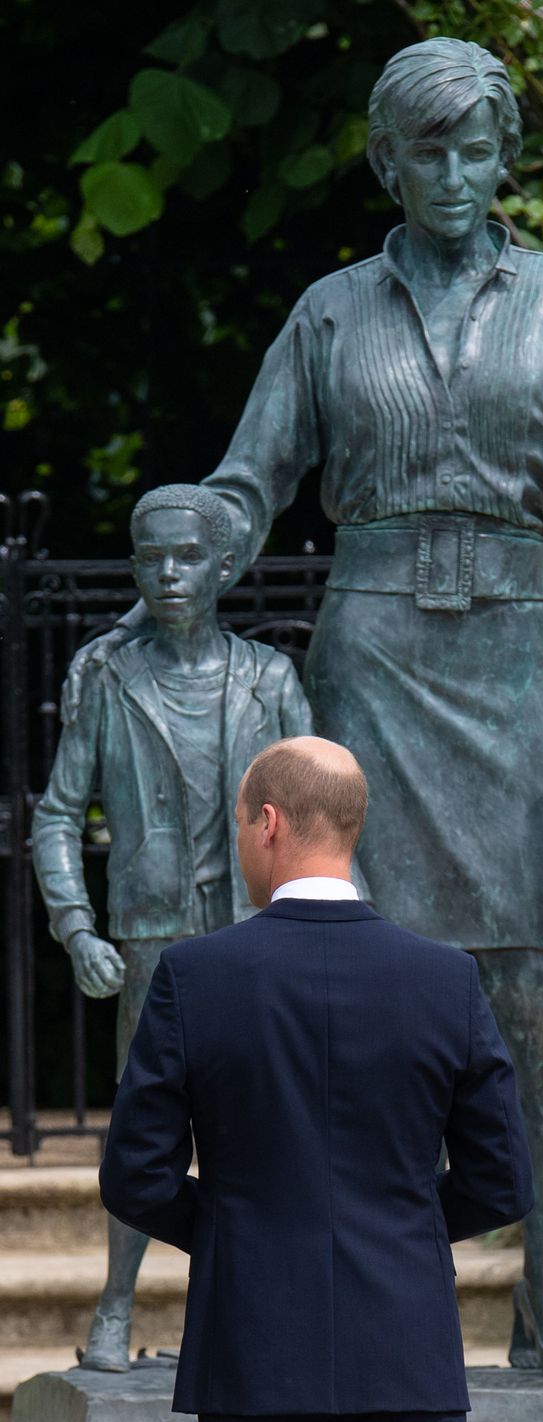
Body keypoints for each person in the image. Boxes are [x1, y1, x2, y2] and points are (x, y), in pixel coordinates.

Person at [63, 38, 543, 1375]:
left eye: (477, 149)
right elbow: (248, 484)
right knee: (351, 970)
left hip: (511, 656)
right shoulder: (332, 312)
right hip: (374, 653)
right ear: (384, 159)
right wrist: (184, 568)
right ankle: (361, 1262)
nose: (455, 174)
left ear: (504, 157)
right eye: (427, 150)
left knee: (521, 978)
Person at [99, 736, 533, 1422]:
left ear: (268, 823)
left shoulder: (194, 976)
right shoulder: (447, 979)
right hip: (406, 1349)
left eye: (238, 825)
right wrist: (403, 1224)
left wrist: (241, 1233)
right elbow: (503, 1180)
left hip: (253, 1349)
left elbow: (134, 1177)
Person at [32, 483, 312, 1372]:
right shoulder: (106, 677)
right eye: (149, 557)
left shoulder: (270, 678)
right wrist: (76, 927)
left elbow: (325, 813)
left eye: (186, 555)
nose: (167, 573)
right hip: (155, 939)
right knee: (145, 1129)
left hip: (259, 934)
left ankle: (260, 1313)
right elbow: (56, 813)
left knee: (270, 1124)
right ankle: (116, 1307)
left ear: (225, 566)